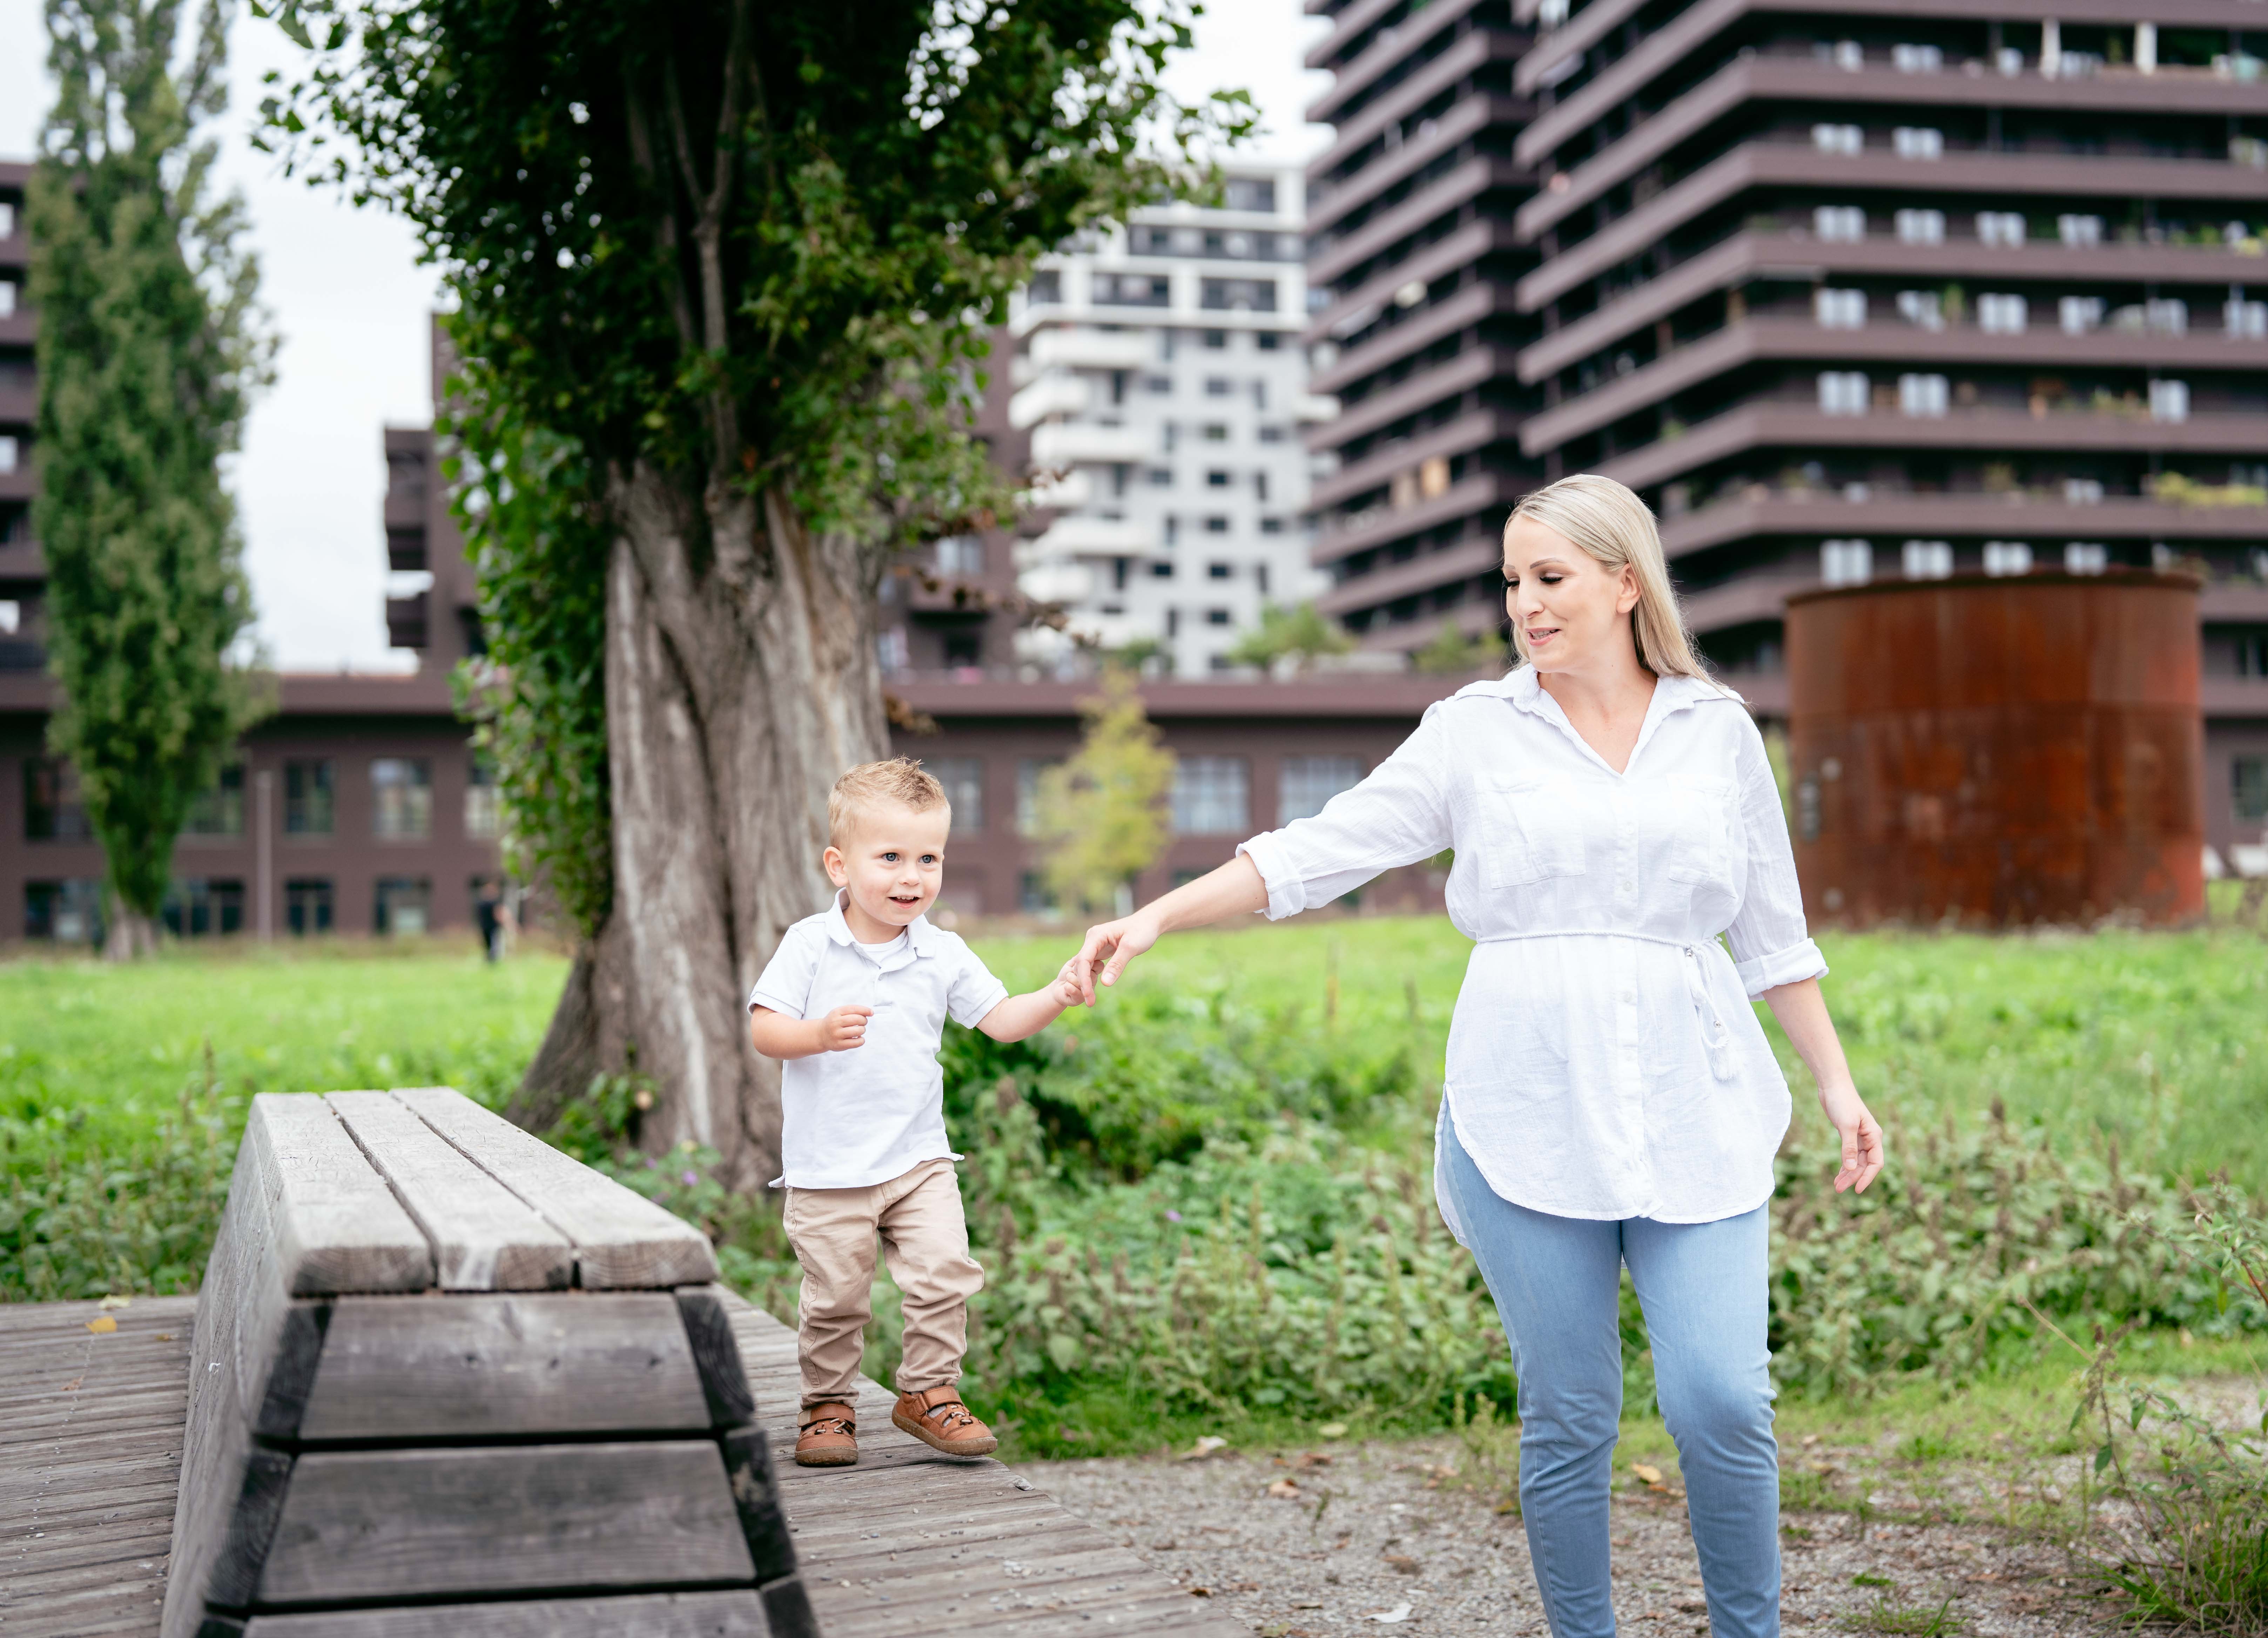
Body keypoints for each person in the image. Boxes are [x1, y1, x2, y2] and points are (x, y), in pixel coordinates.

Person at [1064, 474, 1883, 1638]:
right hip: (1524, 1097)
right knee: (1569, 1411)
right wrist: (1152, 916)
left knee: (1721, 1400)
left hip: (1695, 1095)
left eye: (1548, 578)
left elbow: (1770, 932)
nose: (1525, 605)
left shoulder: (1715, 732)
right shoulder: (1473, 732)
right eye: (1511, 583)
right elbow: (1318, 851)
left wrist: (1836, 1083)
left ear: (1622, 580)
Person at [749, 758, 1086, 1468]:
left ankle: (929, 1391)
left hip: (917, 1159)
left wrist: (1056, 991)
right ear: (839, 865)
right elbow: (765, 1028)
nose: (912, 876)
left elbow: (1000, 1019)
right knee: (837, 1297)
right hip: (828, 1166)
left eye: (928, 857)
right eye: (891, 857)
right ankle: (829, 1404)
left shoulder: (941, 951)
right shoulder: (811, 944)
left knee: (944, 1271)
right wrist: (814, 1034)